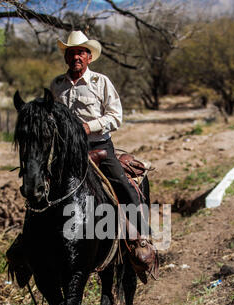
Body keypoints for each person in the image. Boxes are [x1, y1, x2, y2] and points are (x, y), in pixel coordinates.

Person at [51, 31, 158, 280]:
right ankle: (35, 243)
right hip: (69, 152)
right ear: (66, 57)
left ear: (89, 57)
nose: (76, 56)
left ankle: (141, 236)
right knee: (43, 186)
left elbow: (115, 116)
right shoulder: (57, 84)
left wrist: (89, 126)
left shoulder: (101, 82)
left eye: (80, 52)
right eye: (71, 52)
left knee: (124, 185)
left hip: (99, 149)